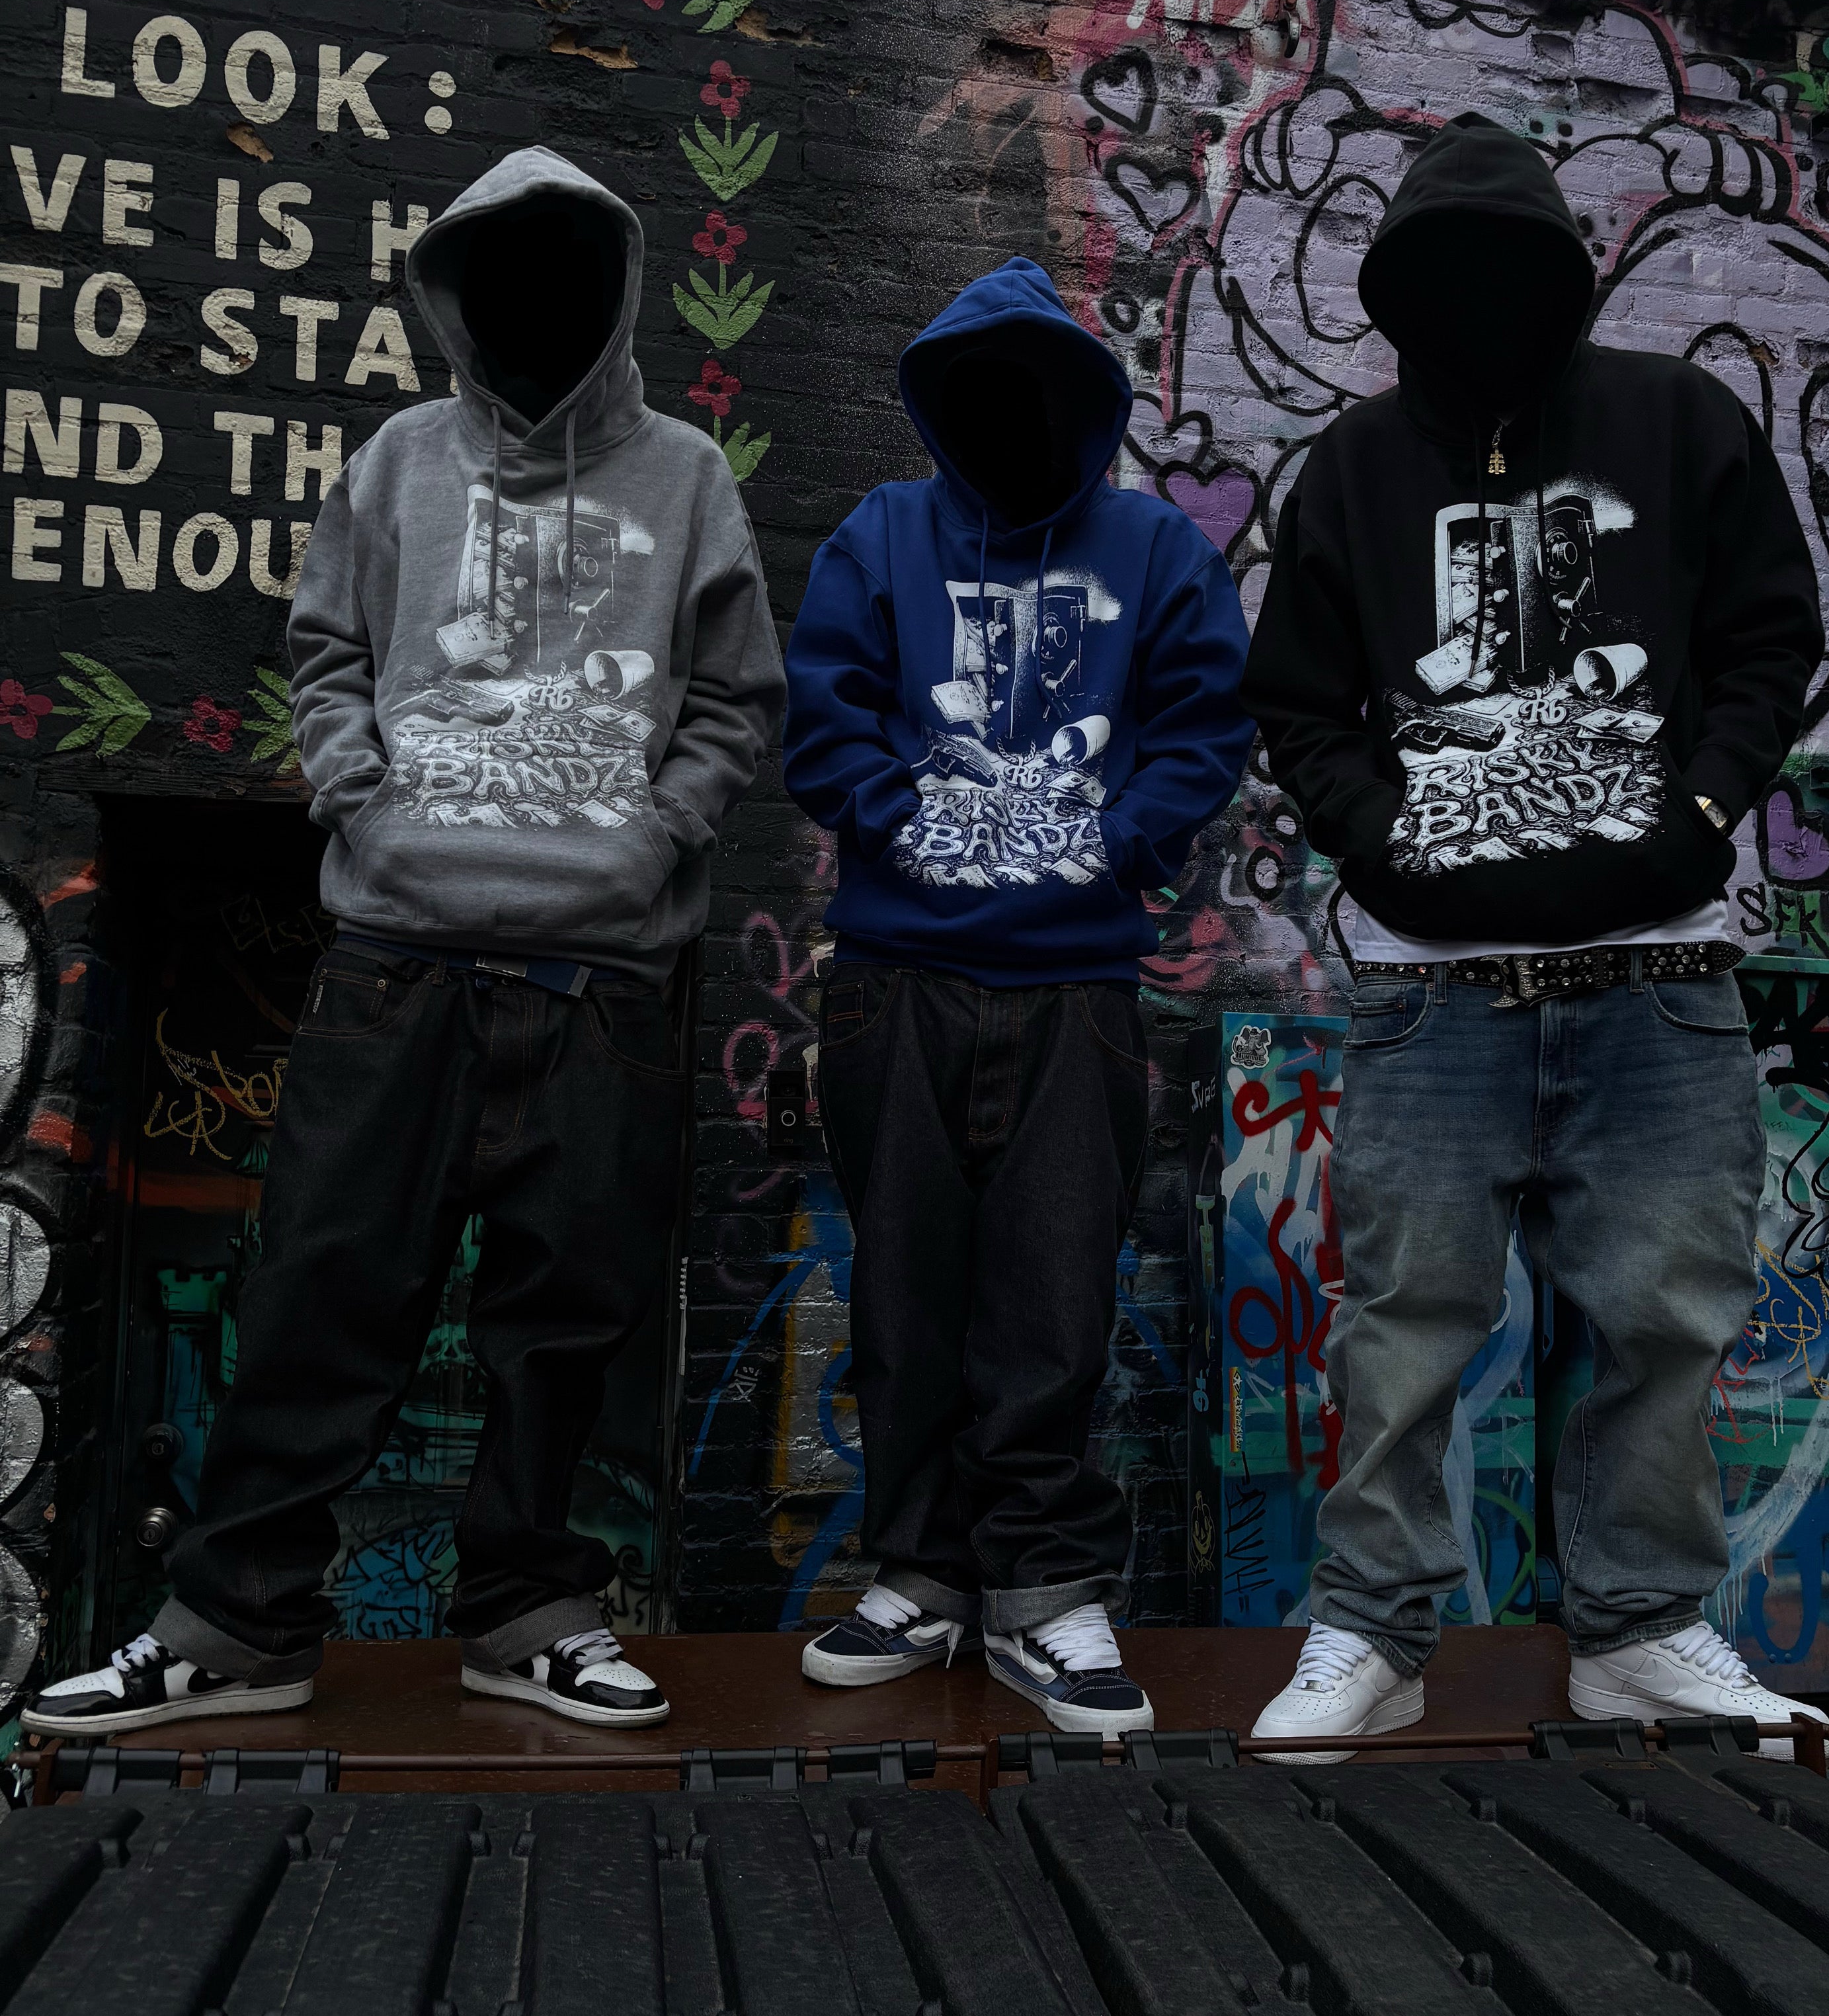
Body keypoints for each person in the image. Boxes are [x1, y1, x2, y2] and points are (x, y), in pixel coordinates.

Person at [30, 147, 784, 1738]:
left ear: (616, 289)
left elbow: (734, 699)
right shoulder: (395, 463)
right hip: (395, 960)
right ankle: (237, 1624)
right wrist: (365, 805)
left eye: (564, 271)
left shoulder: (686, 475)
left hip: (602, 982)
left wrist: (656, 832)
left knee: (566, 1326)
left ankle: (529, 1612)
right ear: (452, 295)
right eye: (497, 272)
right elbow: (324, 649)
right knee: (319, 1293)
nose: (531, 301)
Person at [1243, 112, 1827, 1763]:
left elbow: (1774, 637)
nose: (1482, 303)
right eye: (1448, 276)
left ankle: (1636, 1634)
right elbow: (1297, 697)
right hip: (1433, 991)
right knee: (1403, 1323)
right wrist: (1383, 843)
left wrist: (1696, 816)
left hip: (1661, 970)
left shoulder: (1679, 421)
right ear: (1399, 290)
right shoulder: (1355, 466)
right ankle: (1374, 1632)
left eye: (1513, 273)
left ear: (1568, 279)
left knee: (1665, 1320)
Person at [784, 257, 1251, 1733]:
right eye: (980, 395)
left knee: (1054, 1299)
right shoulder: (882, 534)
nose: (1010, 419)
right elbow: (822, 712)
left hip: (1076, 989)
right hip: (896, 979)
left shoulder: (1156, 549)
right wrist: (916, 824)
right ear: (941, 406)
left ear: (1085, 408)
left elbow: (1208, 725)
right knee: (904, 1293)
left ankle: (1043, 1592)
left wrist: (1112, 842)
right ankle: (922, 1575)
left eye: (1037, 396)